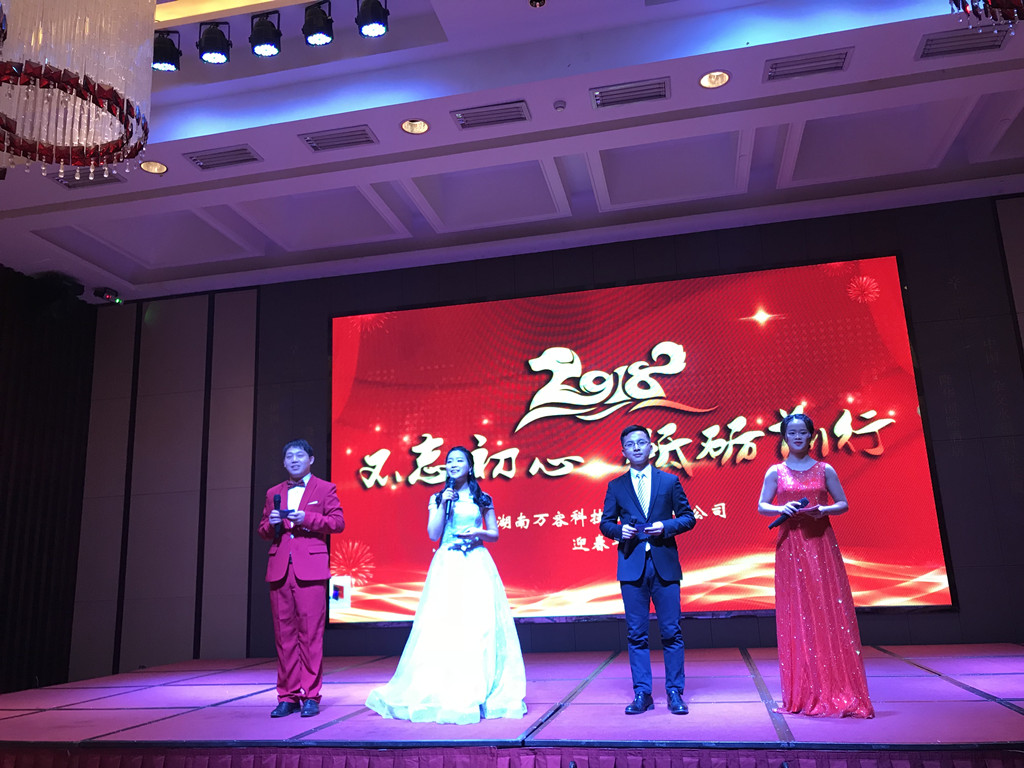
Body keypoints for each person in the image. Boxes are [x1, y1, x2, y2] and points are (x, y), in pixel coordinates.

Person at [365, 446, 526, 724]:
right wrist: (442, 504)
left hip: (476, 562)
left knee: (479, 626)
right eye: (449, 461)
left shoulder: (483, 497)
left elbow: (494, 534)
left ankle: (480, 688)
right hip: (447, 563)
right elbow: (433, 533)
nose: (453, 464)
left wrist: (479, 533)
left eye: (459, 460)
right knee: (444, 623)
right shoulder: (439, 497)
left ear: (470, 466)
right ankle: (443, 687)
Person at [758, 413, 874, 718]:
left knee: (827, 610)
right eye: (792, 433)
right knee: (797, 613)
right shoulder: (775, 471)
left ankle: (837, 689)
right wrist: (781, 508)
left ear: (811, 435)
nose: (797, 437)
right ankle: (803, 692)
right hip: (791, 545)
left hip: (820, 542)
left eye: (802, 432)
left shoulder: (825, 469)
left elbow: (843, 503)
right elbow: (762, 505)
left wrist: (823, 509)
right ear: (784, 437)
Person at [599, 425, 697, 715]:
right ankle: (642, 693)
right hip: (632, 565)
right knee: (636, 634)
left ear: (651, 447)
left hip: (664, 563)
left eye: (641, 442)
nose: (637, 448)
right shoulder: (616, 486)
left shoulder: (669, 481)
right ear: (624, 451)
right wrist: (620, 531)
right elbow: (605, 523)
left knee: (671, 631)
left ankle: (674, 692)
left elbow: (688, 517)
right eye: (631, 444)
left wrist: (665, 526)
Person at [257, 439, 346, 718]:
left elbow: (337, 523)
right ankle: (287, 696)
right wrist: (271, 524)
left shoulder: (325, 488)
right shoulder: (274, 492)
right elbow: (263, 530)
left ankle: (311, 695)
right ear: (284, 462)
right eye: (289, 456)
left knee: (310, 635)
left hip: (311, 569)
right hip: (280, 569)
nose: (294, 460)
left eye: (299, 455)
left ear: (311, 459)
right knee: (284, 636)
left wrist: (306, 518)